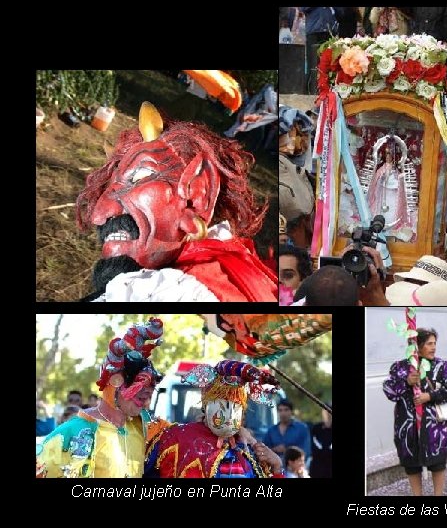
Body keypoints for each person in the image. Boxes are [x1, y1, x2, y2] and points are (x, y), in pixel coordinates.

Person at [76, 102, 278, 302]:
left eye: (137, 178)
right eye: (108, 189)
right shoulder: (231, 270)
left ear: (197, 196)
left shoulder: (179, 293)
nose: (98, 215)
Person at [37, 318, 165, 478]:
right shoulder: (73, 431)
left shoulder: (145, 428)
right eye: (139, 392)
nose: (145, 401)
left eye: (148, 393)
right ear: (115, 382)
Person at [145, 360, 285, 478]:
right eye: (222, 406)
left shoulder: (247, 451)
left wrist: (277, 468)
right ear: (205, 405)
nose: (229, 416)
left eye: (236, 409)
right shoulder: (176, 438)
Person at [383, 328, 447, 496]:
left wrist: (429, 396)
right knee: (411, 464)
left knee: (438, 462)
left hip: (434, 426)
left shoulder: (441, 366)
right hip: (407, 425)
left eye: (434, 344)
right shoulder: (400, 367)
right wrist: (406, 382)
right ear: (418, 346)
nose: (433, 347)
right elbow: (389, 391)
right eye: (429, 344)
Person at [367, 147, 414, 241]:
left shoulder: (396, 170)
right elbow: (376, 180)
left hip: (392, 194)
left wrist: (395, 178)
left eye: (390, 154)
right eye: (387, 154)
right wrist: (382, 177)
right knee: (380, 210)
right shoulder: (381, 168)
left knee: (392, 211)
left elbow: (400, 183)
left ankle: (391, 227)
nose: (388, 157)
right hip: (382, 193)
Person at [264, 399, 311, 465]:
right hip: (275, 468)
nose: (283, 413)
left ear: (291, 411)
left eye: (286, 410)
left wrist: (288, 450)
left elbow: (306, 451)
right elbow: (264, 451)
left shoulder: (301, 428)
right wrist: (275, 449)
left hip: (295, 468)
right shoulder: (271, 431)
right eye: (280, 410)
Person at [309, 405, 332, 478]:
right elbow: (314, 447)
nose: (327, 414)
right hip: (317, 468)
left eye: (329, 411)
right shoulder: (316, 428)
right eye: (325, 411)